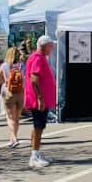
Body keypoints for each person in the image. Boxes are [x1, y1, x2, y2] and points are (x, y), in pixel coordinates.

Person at [24, 35, 57, 167]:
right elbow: (34, 78)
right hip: (37, 99)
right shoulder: (37, 58)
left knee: (39, 126)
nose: (52, 48)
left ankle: (36, 152)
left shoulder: (39, 57)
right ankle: (34, 155)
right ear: (44, 46)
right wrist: (39, 97)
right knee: (38, 126)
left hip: (39, 98)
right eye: (51, 46)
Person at [0, 46, 25, 148]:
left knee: (10, 117)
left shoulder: (4, 66)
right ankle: (13, 138)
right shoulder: (22, 65)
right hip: (20, 93)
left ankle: (14, 139)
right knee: (17, 118)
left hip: (8, 92)